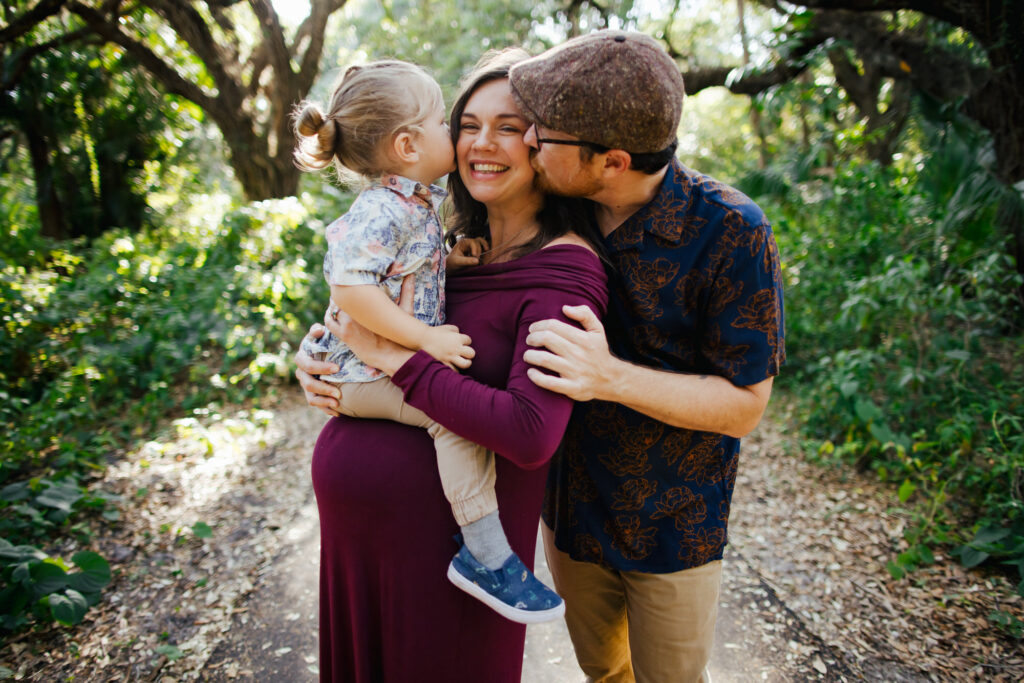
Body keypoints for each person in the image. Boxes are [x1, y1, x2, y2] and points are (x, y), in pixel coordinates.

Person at [294, 49, 609, 682]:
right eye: (464, 124)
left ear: (548, 141)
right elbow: (363, 299)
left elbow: (529, 432)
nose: (477, 142)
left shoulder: (563, 269)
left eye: (509, 125)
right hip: (364, 543)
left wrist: (392, 357)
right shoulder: (439, 233)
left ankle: (488, 557)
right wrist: (318, 350)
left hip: (437, 558)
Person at [505, 31, 787, 683]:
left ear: (613, 161)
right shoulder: (549, 205)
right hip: (570, 516)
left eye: (545, 133)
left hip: (673, 527)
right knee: (604, 675)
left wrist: (608, 376)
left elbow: (744, 405)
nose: (529, 141)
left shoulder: (733, 231)